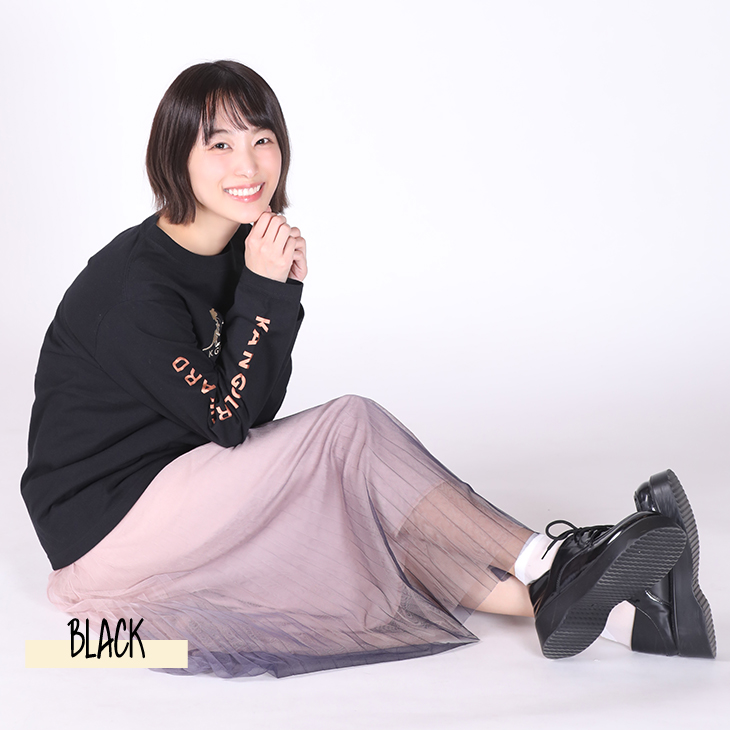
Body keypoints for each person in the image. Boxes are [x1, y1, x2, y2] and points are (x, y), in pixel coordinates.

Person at [20, 60, 716, 679]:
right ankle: (551, 560)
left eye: (263, 139)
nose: (249, 163)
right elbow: (230, 423)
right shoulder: (131, 290)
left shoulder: (239, 248)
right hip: (106, 533)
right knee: (348, 430)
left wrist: (276, 292)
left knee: (355, 490)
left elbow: (252, 411)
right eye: (220, 144)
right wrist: (266, 290)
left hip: (184, 485)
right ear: (176, 157)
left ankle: (638, 620)